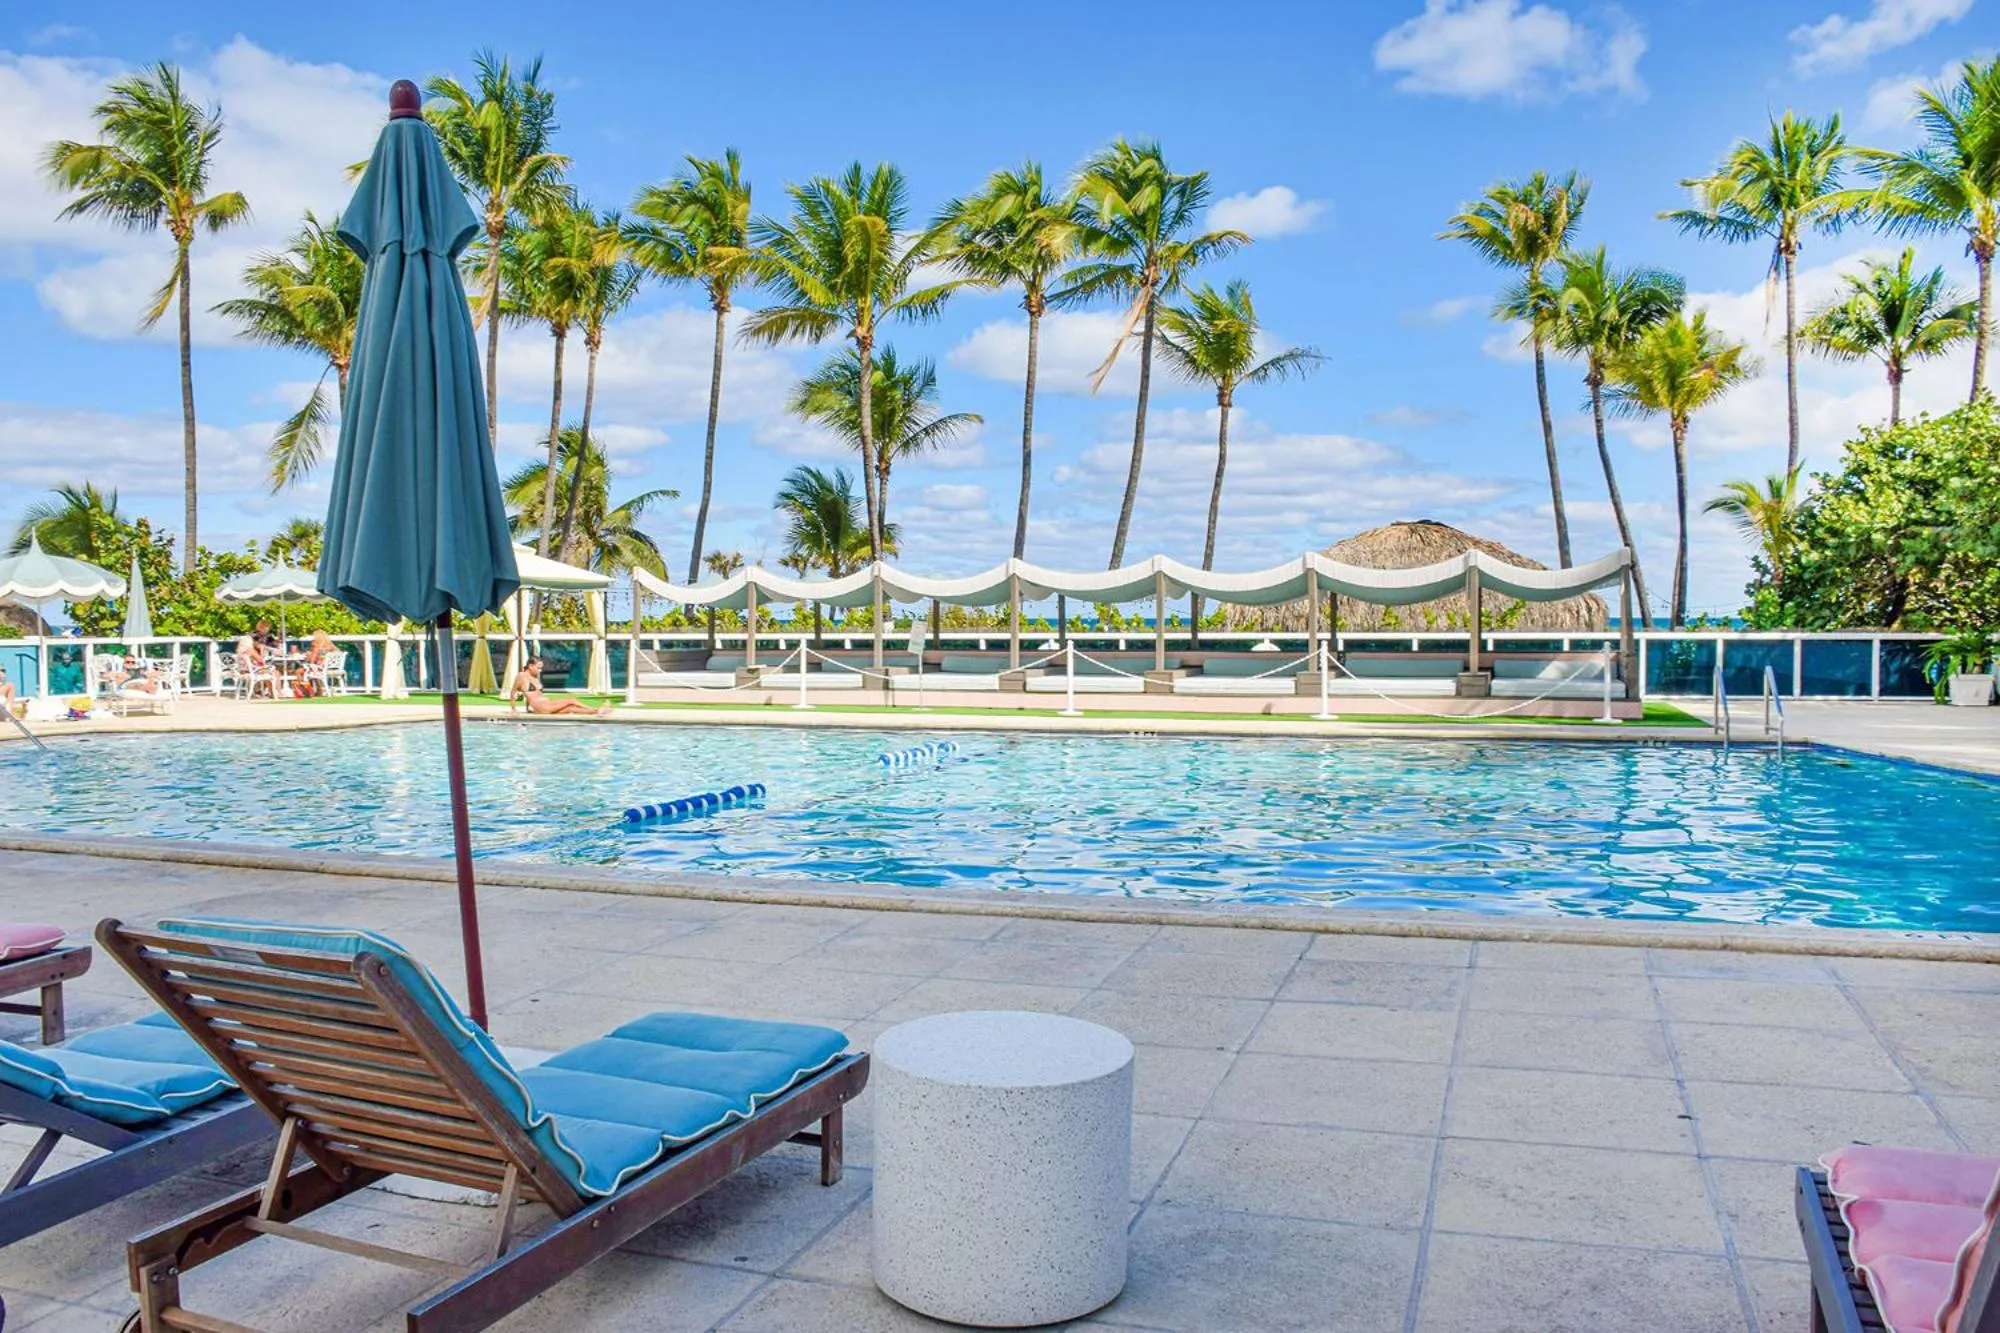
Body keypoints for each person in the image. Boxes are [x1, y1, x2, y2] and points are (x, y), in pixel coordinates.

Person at [510, 658, 611, 716]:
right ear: (530, 666)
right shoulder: (521, 676)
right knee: (570, 700)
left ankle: (597, 711)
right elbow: (513, 693)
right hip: (542, 707)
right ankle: (596, 709)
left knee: (571, 708)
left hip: (547, 704)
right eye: (538, 668)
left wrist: (528, 709)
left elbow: (534, 694)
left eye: (541, 668)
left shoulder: (535, 677)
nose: (540, 670)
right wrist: (514, 710)